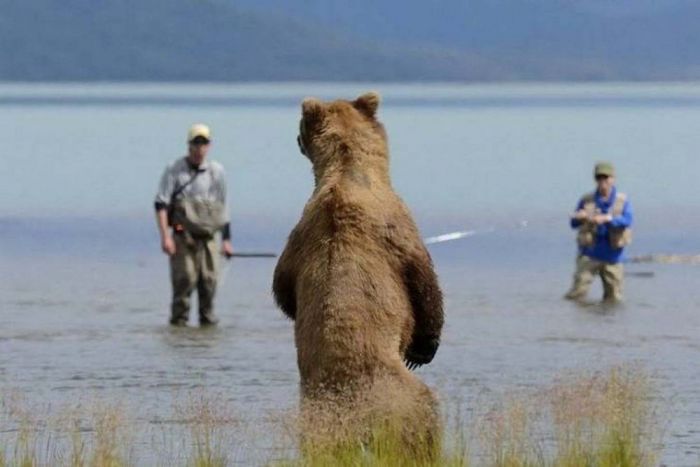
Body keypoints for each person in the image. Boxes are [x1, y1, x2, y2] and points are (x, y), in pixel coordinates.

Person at [154, 124, 234, 326]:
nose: (199, 148)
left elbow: (223, 208)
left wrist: (226, 240)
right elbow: (161, 204)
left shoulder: (217, 172)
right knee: (184, 283)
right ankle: (179, 333)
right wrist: (165, 237)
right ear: (189, 145)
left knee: (208, 286)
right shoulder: (174, 170)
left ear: (209, 146)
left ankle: (205, 340)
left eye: (203, 143)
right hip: (182, 237)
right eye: (196, 143)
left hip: (209, 239)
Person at [565, 162, 633, 303]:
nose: (603, 182)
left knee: (614, 299)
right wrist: (581, 217)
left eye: (606, 178)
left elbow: (627, 220)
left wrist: (608, 219)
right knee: (577, 294)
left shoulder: (622, 200)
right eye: (599, 178)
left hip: (613, 257)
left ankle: (610, 323)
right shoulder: (586, 200)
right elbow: (573, 223)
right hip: (589, 254)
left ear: (612, 179)